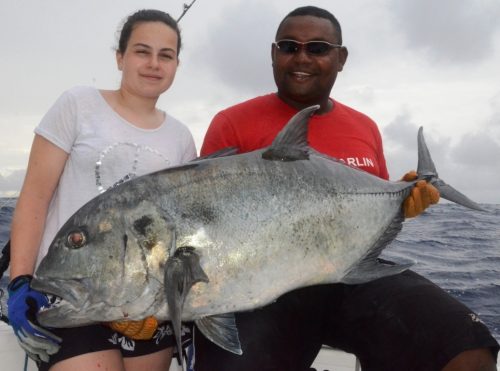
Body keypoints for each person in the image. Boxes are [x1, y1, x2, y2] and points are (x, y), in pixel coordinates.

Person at [192, 6, 499, 371]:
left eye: (318, 48)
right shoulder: (231, 123)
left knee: (469, 349)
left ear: (341, 58)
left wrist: (404, 199)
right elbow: (202, 221)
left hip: (352, 277)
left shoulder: (364, 127)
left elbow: (373, 206)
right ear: (274, 54)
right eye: (289, 47)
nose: (302, 57)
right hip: (261, 289)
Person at [7, 9, 196, 371]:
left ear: (175, 65)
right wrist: (19, 281)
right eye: (142, 51)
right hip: (73, 297)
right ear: (120, 57)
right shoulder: (78, 105)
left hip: (145, 305)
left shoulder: (181, 138)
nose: (154, 64)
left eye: (166, 55)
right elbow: (34, 196)